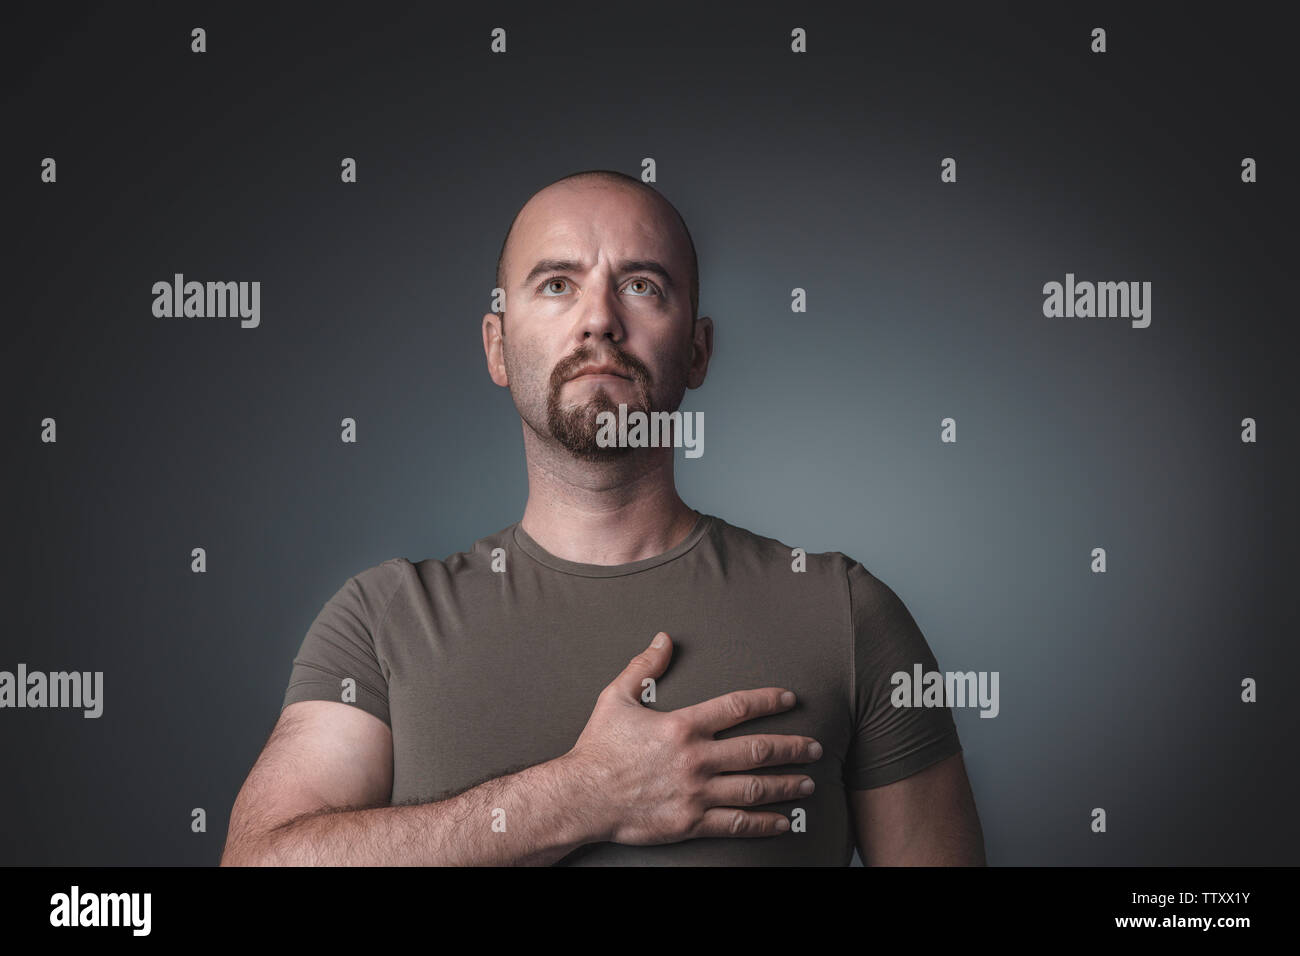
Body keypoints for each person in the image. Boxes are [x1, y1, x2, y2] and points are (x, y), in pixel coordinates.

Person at [220, 169, 986, 866]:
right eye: (556, 284)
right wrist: (582, 796)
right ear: (497, 346)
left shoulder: (845, 614)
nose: (600, 321)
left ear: (697, 351)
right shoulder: (382, 621)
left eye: (644, 285)